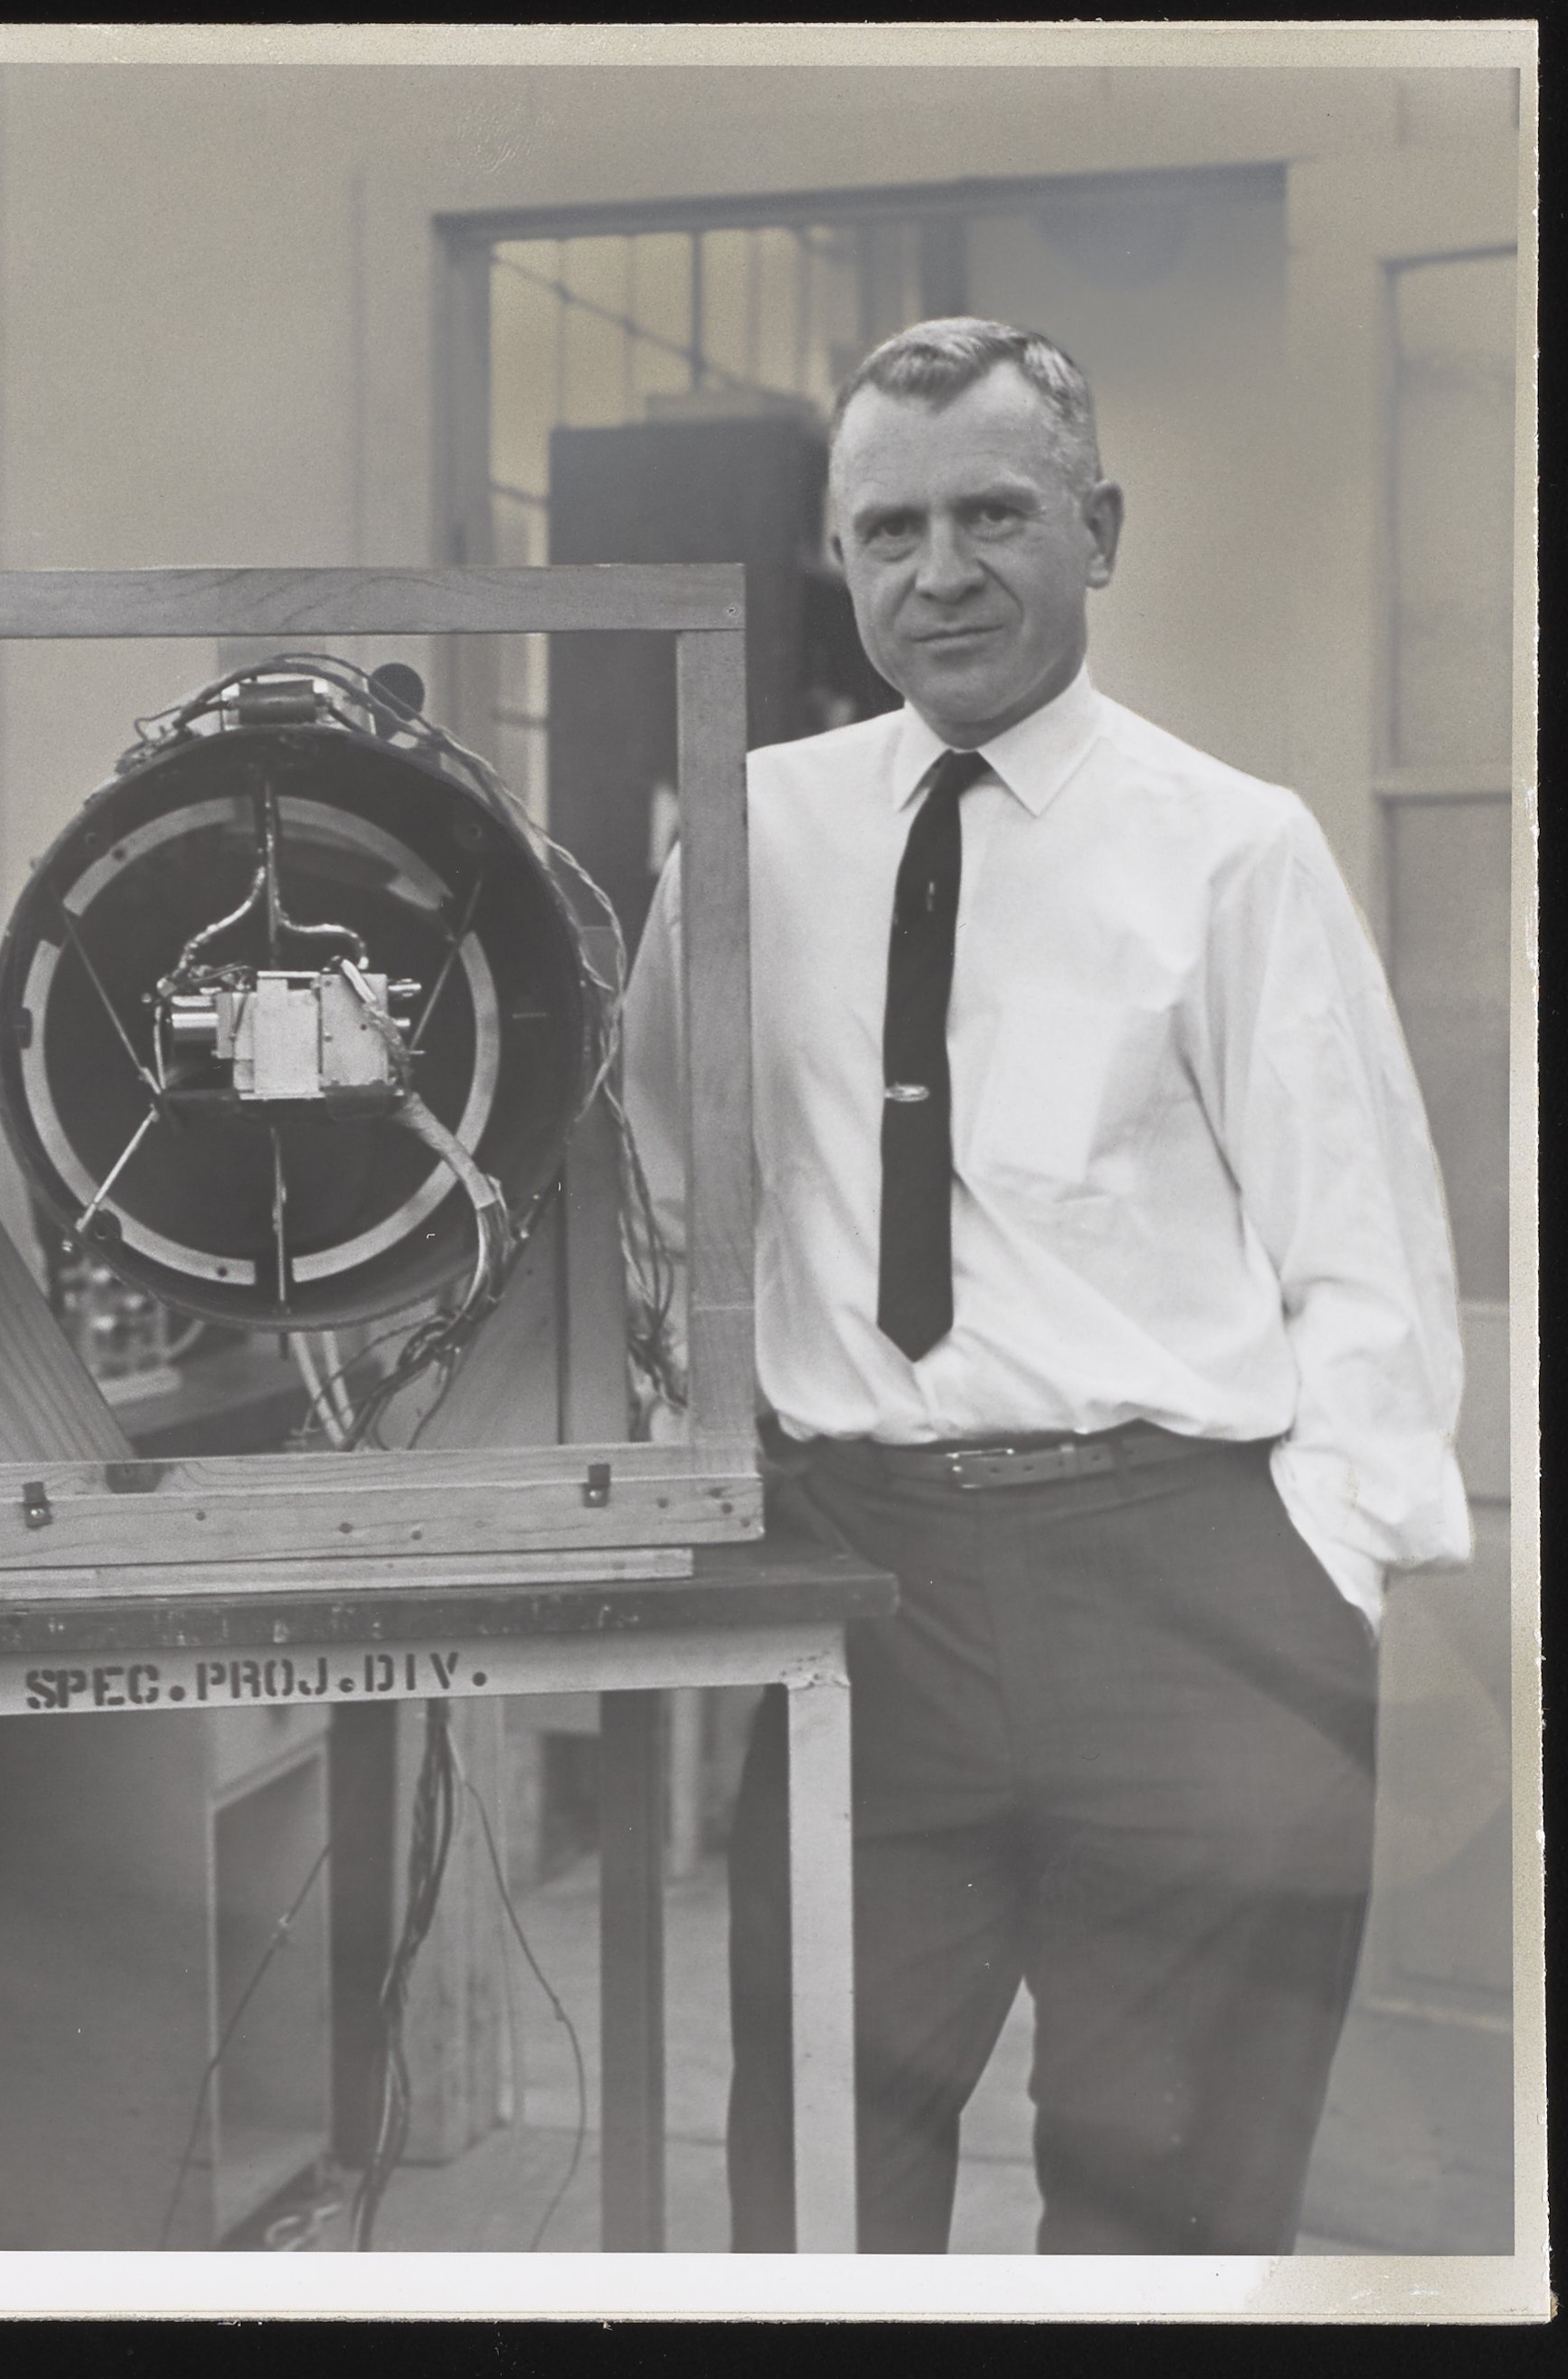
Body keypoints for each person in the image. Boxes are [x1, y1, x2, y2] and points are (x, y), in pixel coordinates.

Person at [622, 318, 1470, 2254]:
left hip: (1189, 1593)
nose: (940, 573)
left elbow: (1367, 1260)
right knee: (818, 2199)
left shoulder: (1234, 850)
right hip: (869, 1593)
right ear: (837, 557)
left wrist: (1313, 1580)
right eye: (890, 528)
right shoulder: (744, 837)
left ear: (1100, 529)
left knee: (1168, 2213)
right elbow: (659, 1182)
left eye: (994, 515)